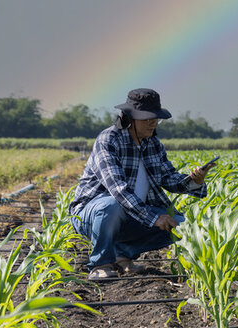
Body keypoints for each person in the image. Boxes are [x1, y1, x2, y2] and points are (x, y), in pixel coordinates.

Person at [70, 88, 215, 280]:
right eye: (147, 118)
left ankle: (123, 255)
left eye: (156, 118)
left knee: (181, 225)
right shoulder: (108, 140)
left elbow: (168, 177)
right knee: (111, 206)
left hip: (133, 212)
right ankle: (101, 264)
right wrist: (153, 218)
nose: (153, 122)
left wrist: (194, 181)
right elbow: (118, 191)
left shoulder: (153, 143)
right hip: (93, 214)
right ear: (129, 118)